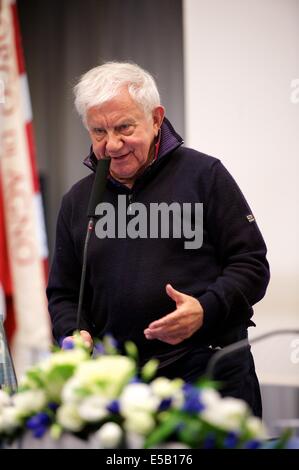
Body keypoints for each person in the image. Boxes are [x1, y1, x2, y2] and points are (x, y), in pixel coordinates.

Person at [47, 62, 270, 417]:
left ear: (155, 118)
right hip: (120, 386)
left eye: (124, 127)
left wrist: (205, 309)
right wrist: (73, 332)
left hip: (211, 374)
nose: (112, 144)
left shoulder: (205, 176)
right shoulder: (78, 200)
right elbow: (63, 293)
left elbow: (252, 264)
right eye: (98, 132)